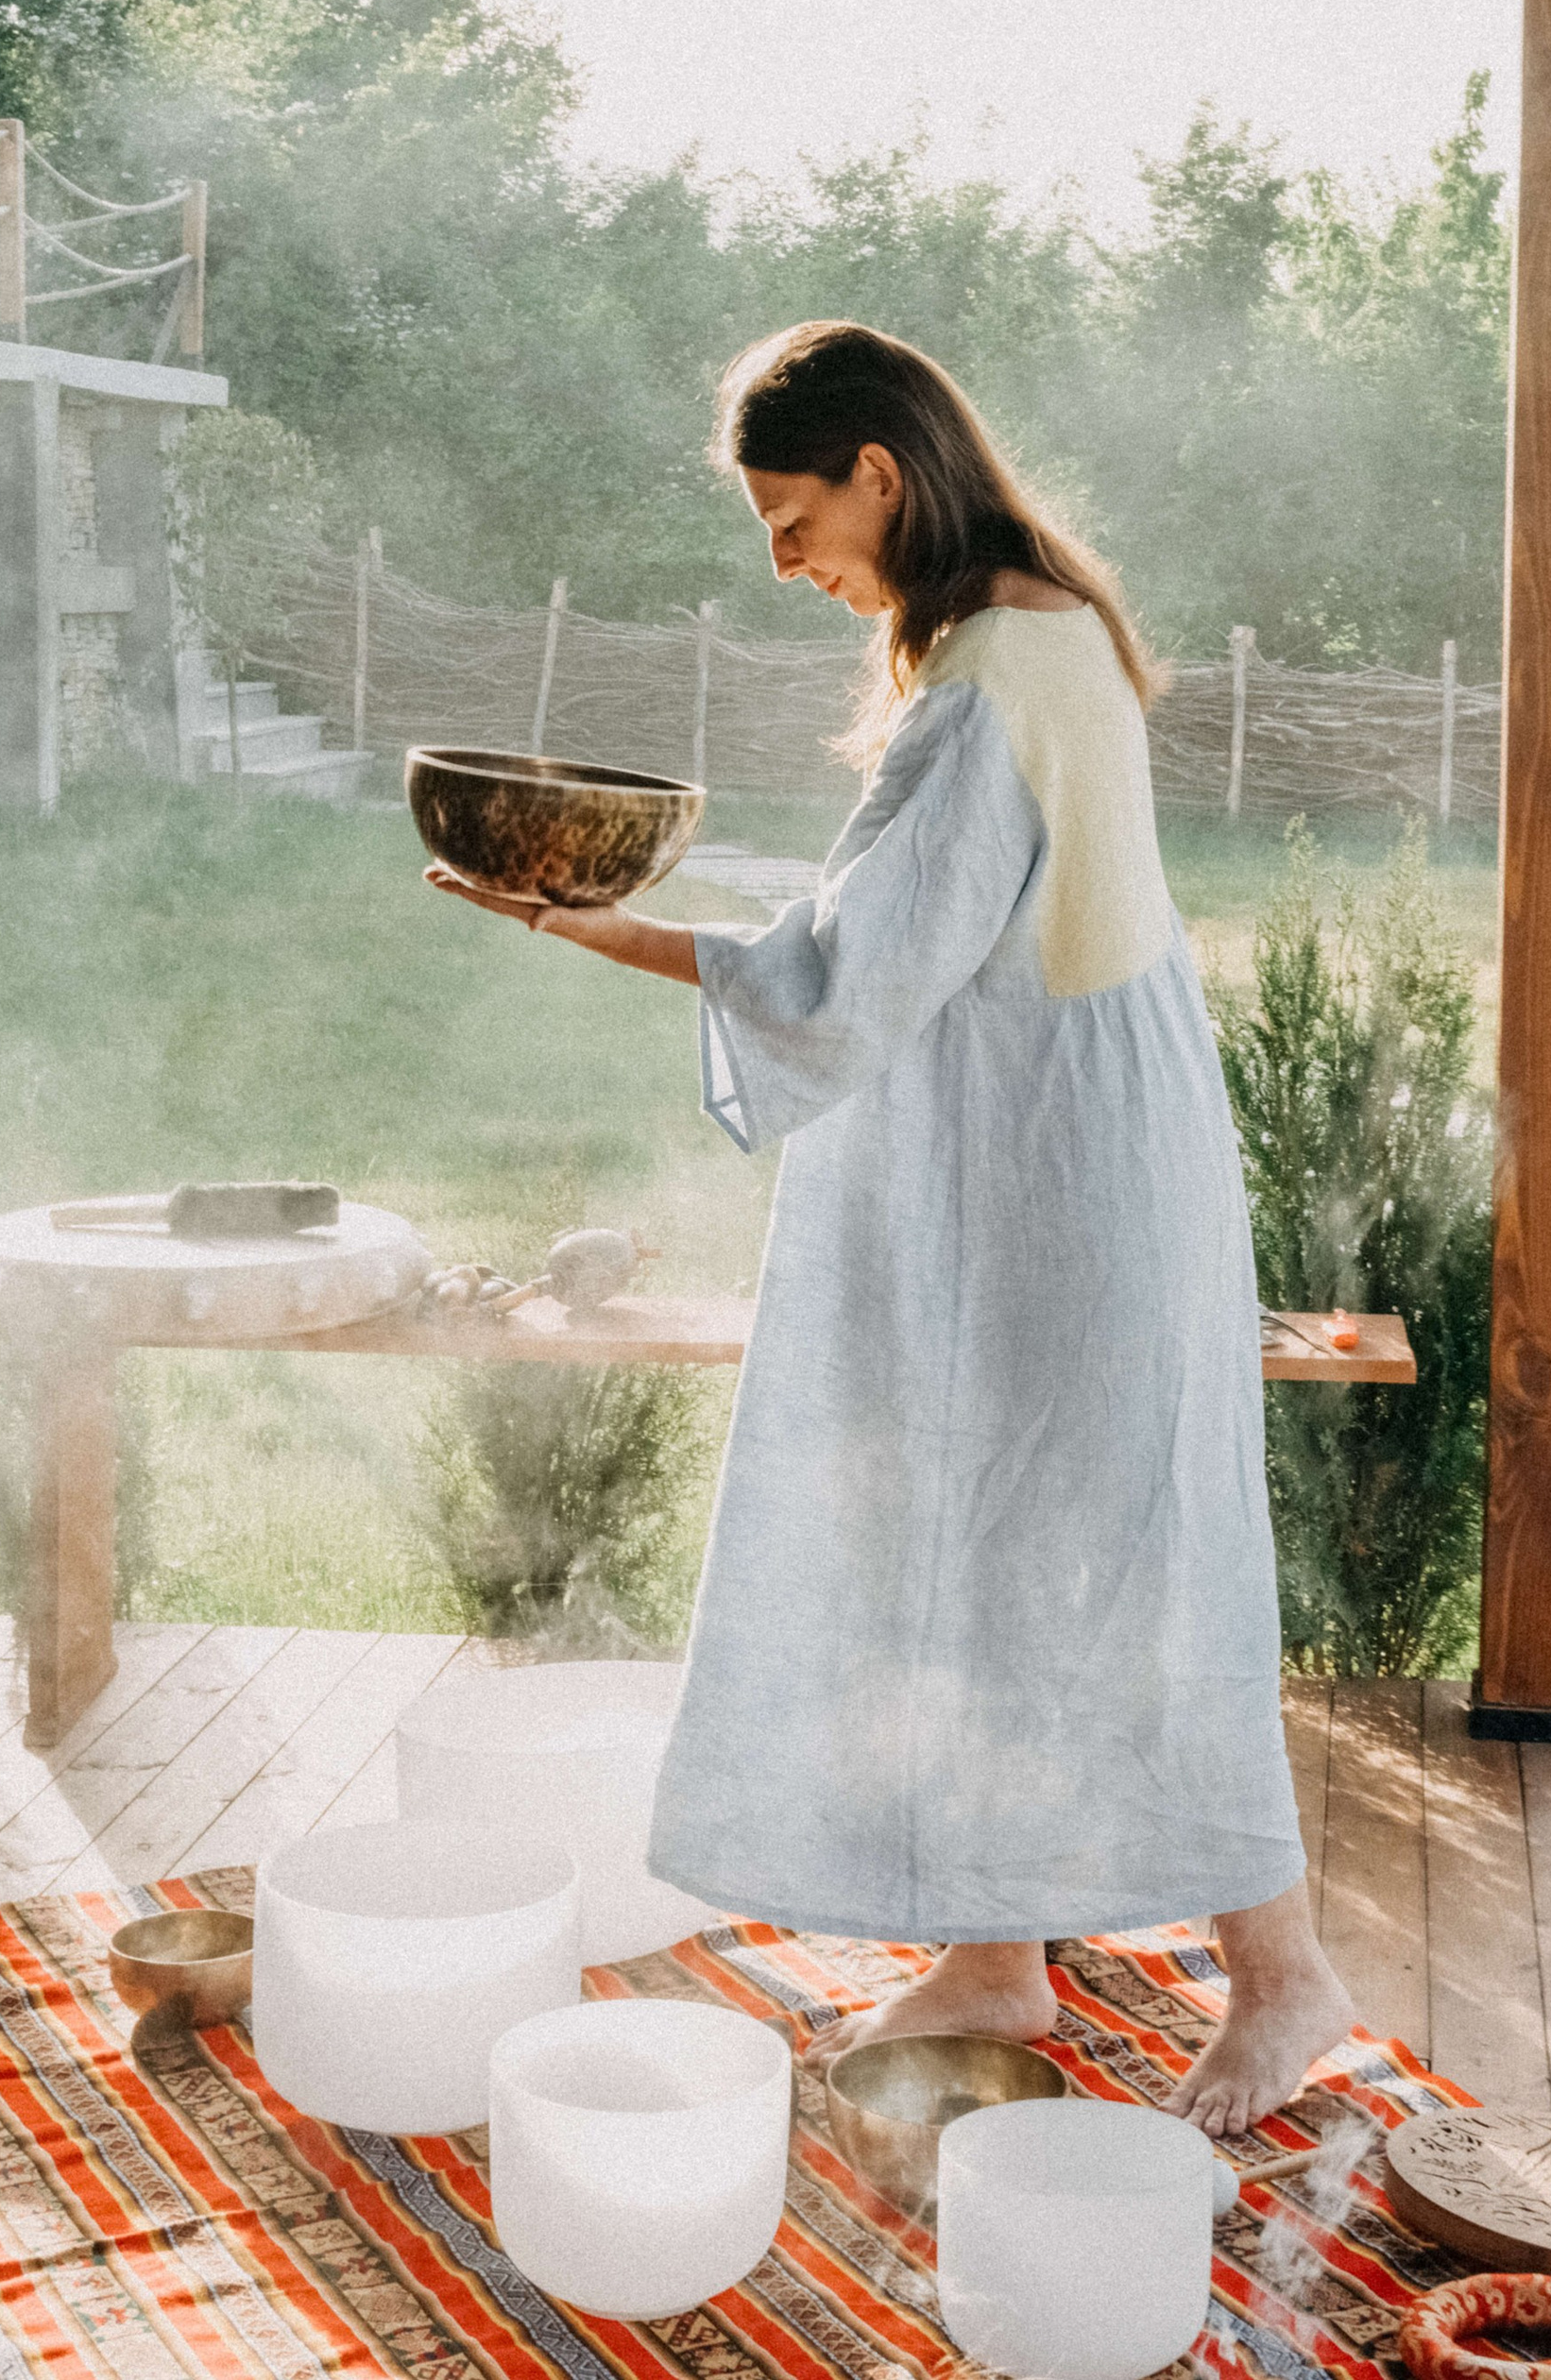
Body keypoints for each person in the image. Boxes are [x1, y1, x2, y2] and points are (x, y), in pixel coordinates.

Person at [426, 320, 1355, 2134]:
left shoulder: (996, 670)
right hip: (1057, 1157)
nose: (780, 561)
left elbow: (856, 973)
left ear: (879, 471)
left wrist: (594, 924)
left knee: (1119, 1564)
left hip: (1057, 1189)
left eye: (789, 517)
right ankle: (1001, 1950)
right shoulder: (1040, 630)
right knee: (986, 1542)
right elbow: (916, 923)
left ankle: (1288, 1975)